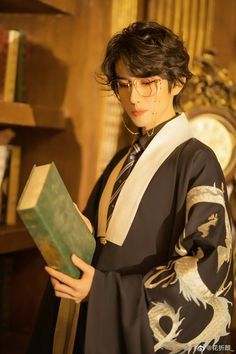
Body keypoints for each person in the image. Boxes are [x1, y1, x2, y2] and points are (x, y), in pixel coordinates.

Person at [27, 21, 234, 354]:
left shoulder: (198, 161)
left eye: (148, 83)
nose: (133, 97)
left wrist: (105, 291)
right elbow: (101, 242)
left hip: (126, 328)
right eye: (124, 84)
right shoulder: (122, 158)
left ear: (177, 82)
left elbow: (205, 269)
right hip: (93, 317)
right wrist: (80, 232)